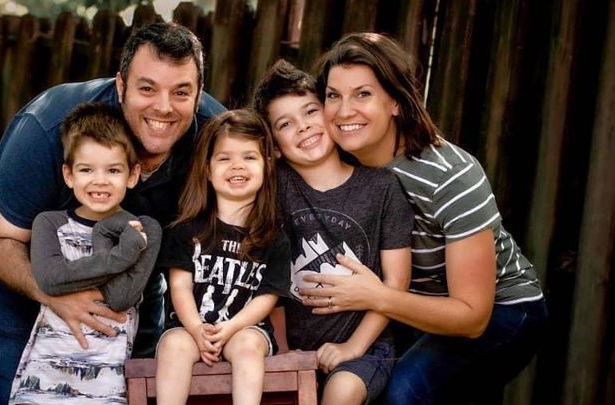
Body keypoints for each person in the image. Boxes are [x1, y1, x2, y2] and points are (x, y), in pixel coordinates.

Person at [0, 22, 226, 404]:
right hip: (21, 240)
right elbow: (2, 241)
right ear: (121, 86)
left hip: (132, 258)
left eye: (181, 92)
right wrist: (54, 295)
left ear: (199, 94)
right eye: (147, 88)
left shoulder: (219, 139)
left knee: (131, 378)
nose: (164, 107)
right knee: (20, 377)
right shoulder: (45, 130)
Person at [300, 32, 548, 404]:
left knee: (404, 393)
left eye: (363, 94)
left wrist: (377, 296)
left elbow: (472, 316)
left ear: (396, 102)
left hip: (503, 311)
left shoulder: (450, 176)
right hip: (407, 305)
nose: (344, 111)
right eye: (334, 95)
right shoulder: (338, 161)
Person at [252, 59, 413, 404]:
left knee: (341, 393)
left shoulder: (382, 187)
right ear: (274, 147)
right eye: (285, 124)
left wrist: (351, 347)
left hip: (365, 345)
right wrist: (283, 352)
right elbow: (270, 278)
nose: (303, 127)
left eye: (311, 112)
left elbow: (396, 282)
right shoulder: (273, 189)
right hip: (288, 345)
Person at [9, 102, 162, 404]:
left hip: (105, 384)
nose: (99, 180)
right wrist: (120, 253)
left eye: (113, 170)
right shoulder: (50, 223)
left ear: (133, 174)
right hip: (42, 380)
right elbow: (51, 280)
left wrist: (105, 239)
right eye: (86, 169)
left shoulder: (146, 229)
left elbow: (121, 297)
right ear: (69, 175)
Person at [154, 110, 291, 405]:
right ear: (207, 169)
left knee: (248, 346)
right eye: (225, 158)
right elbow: (180, 287)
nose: (237, 166)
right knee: (174, 345)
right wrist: (196, 329)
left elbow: (267, 297)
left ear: (267, 165)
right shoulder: (186, 231)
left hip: (246, 327)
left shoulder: (273, 237)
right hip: (189, 327)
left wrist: (232, 327)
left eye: (249, 157)